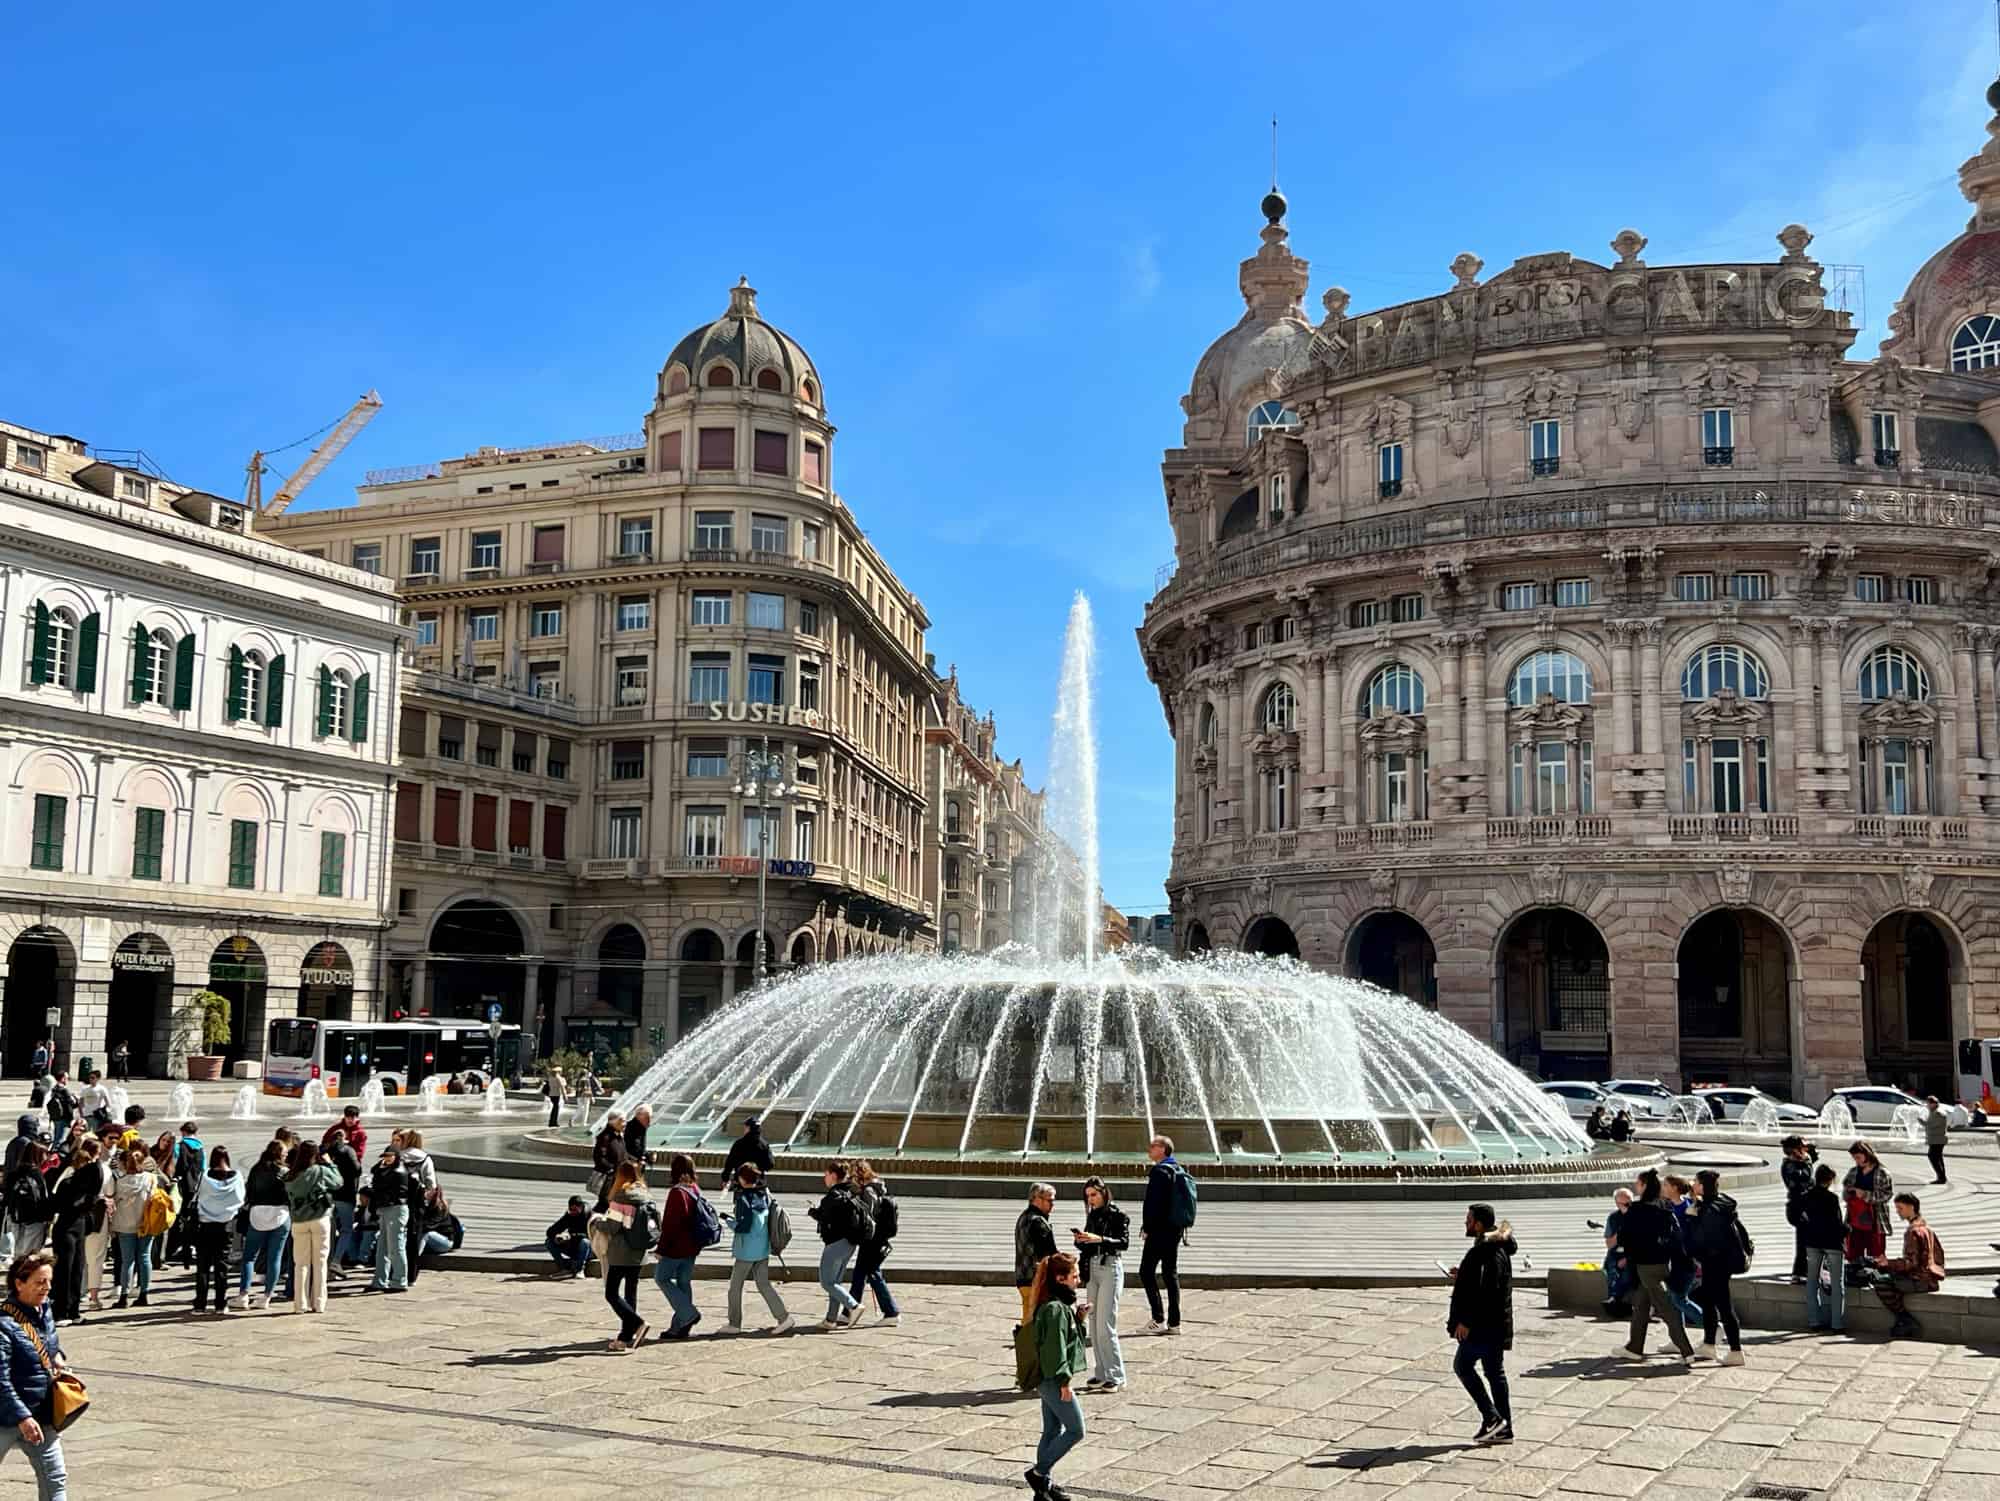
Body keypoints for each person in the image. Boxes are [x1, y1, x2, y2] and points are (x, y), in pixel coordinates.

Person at [0, 1249, 71, 1498]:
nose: (47, 1288)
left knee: (55, 1479)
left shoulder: (44, 1309)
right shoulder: (3, 1323)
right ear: (19, 1284)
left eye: (49, 1281)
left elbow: (44, 1340)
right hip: (5, 1416)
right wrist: (22, 1417)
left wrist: (55, 1356)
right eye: (40, 1282)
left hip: (39, 1410)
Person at [1447, 1202, 1515, 1444]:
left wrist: (1465, 1321)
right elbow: (1480, 1281)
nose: (1465, 1223)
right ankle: (1503, 1428)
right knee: (1495, 1374)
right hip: (1495, 1323)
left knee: (1463, 1366)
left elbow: (1486, 1292)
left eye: (1469, 1219)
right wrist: (1463, 1274)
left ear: (1479, 1224)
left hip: (1483, 1325)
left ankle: (1493, 1418)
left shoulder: (1488, 1251)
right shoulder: (1494, 1246)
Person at [1025, 1250, 1089, 1501]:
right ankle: (1039, 1474)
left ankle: (1044, 1489)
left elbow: (1067, 1340)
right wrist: (1064, 1382)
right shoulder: (1054, 1309)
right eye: (1075, 1275)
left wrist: (1079, 1319)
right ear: (1061, 1278)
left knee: (1052, 1430)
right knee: (1076, 1430)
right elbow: (1055, 1350)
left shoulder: (1060, 1305)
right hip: (1052, 1379)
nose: (1079, 1279)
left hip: (1048, 1378)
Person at [1618, 1169, 1693, 1367]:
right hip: (1663, 1262)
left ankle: (1687, 1350)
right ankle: (1634, 1348)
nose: (1635, 1185)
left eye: (1637, 1183)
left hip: (1646, 1265)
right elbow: (1674, 1234)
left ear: (1643, 1186)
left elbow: (1626, 1237)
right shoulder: (1664, 1205)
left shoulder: (1637, 1209)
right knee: (1641, 1305)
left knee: (1666, 1308)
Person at [722, 1163, 793, 1334]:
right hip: (763, 1248)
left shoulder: (743, 1199)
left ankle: (734, 1324)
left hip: (747, 1251)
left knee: (735, 1287)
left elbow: (743, 1227)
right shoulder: (764, 1195)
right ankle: (784, 1317)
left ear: (741, 1179)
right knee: (763, 1284)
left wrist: (728, 1220)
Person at [1688, 1169, 1749, 1366]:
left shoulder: (1709, 1210)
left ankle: (1735, 1350)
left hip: (1716, 1263)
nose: (1693, 1184)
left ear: (1702, 1185)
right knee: (1706, 1300)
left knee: (1723, 1305)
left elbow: (1704, 1239)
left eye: (1696, 1182)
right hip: (1720, 1262)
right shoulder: (1721, 1203)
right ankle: (1708, 1344)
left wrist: (1692, 1218)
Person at [1073, 1175, 1128, 1391]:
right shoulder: (1092, 1216)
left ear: (1104, 1193)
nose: (1091, 1200)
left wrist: (1100, 1240)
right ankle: (1101, 1372)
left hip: (1110, 1267)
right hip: (1092, 1268)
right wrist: (1081, 1240)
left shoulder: (1118, 1215)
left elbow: (1123, 1243)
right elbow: (1088, 1247)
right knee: (1094, 1324)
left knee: (1106, 1325)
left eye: (1094, 1195)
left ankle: (1117, 1374)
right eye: (1088, 1196)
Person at [45, 1138, 102, 1327]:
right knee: (65, 1270)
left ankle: (73, 1309)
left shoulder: (83, 1186)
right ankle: (61, 1311)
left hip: (77, 1227)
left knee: (76, 1269)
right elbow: (59, 1204)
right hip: (67, 1228)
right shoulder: (69, 1183)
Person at [597, 1160, 653, 1351]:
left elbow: (612, 1227)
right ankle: (625, 1337)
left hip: (621, 1252)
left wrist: (597, 1222)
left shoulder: (621, 1198)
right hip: (639, 1251)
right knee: (631, 1293)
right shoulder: (645, 1195)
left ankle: (638, 1324)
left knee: (611, 1293)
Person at [1873, 1191, 1945, 1338]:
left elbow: (1910, 1263)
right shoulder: (1926, 1227)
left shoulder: (1912, 1231)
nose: (1898, 1212)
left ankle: (1904, 1318)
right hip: (1929, 1278)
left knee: (1880, 1282)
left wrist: (1887, 1263)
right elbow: (1939, 1254)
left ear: (1911, 1207)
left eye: (1900, 1208)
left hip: (1920, 1281)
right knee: (1890, 1275)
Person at [653, 1153, 707, 1339]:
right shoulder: (695, 1189)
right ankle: (680, 1326)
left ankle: (688, 1313)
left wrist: (661, 1250)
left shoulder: (677, 1193)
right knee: (684, 1282)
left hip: (676, 1247)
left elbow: (670, 1225)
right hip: (693, 1246)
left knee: (662, 1278)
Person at [1140, 1135, 1188, 1335]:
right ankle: (1175, 1323)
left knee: (1146, 1271)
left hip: (1159, 1230)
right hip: (1175, 1228)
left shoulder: (1159, 1171)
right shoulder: (1178, 1169)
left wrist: (1147, 1227)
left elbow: (1153, 1204)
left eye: (1153, 1146)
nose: (1149, 1149)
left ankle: (1158, 1318)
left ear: (1163, 1149)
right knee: (1170, 1273)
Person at [283, 1141, 339, 1314]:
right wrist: (330, 1164)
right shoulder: (320, 1171)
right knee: (320, 1263)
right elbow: (338, 1182)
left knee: (300, 1264)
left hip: (298, 1221)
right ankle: (319, 1302)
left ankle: (300, 1304)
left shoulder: (291, 1175)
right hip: (319, 1218)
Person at [808, 1159, 864, 1330]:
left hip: (835, 1243)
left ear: (833, 1175)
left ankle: (853, 1306)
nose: (824, 1178)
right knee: (835, 1282)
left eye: (826, 1174)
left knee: (827, 1282)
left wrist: (812, 1211)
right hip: (850, 1243)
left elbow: (825, 1217)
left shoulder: (832, 1196)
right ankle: (830, 1320)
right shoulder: (851, 1191)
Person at [234, 1140, 290, 1309]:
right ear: (279, 1154)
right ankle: (266, 1297)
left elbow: (248, 1192)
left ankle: (243, 1294)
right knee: (275, 1257)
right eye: (285, 1152)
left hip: (257, 1213)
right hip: (280, 1214)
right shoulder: (285, 1172)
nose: (286, 1154)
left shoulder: (256, 1169)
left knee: (249, 1256)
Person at [1794, 1162, 1847, 1332]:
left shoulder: (1806, 1196)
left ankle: (1813, 1321)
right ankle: (1837, 1323)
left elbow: (1801, 1218)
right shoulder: (1831, 1199)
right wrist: (1848, 1230)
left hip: (1812, 1242)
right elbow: (1836, 1223)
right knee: (1837, 1284)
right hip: (1832, 1243)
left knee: (1812, 1281)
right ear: (1830, 1180)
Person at [192, 1144, 244, 1316]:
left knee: (203, 1266)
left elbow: (198, 1196)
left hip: (205, 1224)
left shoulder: (205, 1177)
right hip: (226, 1225)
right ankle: (221, 1304)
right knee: (222, 1266)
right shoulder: (237, 1177)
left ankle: (200, 1304)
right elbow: (241, 1199)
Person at [846, 1160, 899, 1327]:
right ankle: (850, 1311)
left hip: (872, 1240)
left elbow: (868, 1217)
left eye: (853, 1176)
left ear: (860, 1174)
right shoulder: (876, 1188)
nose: (851, 1179)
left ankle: (891, 1312)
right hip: (875, 1239)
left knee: (873, 1274)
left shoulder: (869, 1190)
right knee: (860, 1274)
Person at [107, 1143, 159, 1309]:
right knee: (144, 1258)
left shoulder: (119, 1182)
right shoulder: (151, 1179)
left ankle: (123, 1296)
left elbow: (113, 1201)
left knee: (126, 1261)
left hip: (124, 1223)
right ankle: (144, 1293)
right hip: (145, 1223)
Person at [1842, 1140, 1893, 1281]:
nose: (1856, 1161)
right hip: (1856, 1217)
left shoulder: (1882, 1173)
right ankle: (1856, 1275)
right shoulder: (1853, 1172)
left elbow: (1886, 1195)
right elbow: (1845, 1191)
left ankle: (1876, 1277)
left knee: (1876, 1250)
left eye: (1858, 1157)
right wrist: (1850, 1193)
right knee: (1854, 1249)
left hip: (1875, 1217)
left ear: (1866, 1154)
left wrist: (1865, 1195)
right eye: (1854, 1158)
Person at [366, 1145, 410, 1293]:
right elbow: (375, 1174)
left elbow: (379, 1182)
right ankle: (380, 1280)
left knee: (396, 1247)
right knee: (383, 1247)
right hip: (387, 1209)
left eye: (390, 1156)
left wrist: (380, 1168)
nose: (386, 1159)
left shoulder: (398, 1172)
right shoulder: (389, 1169)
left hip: (395, 1209)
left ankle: (399, 1281)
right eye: (385, 1156)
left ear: (396, 1157)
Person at [322, 1120, 364, 1274]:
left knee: (329, 1230)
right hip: (346, 1195)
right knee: (346, 1229)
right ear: (344, 1138)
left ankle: (326, 1261)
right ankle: (336, 1261)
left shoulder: (325, 1152)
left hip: (329, 1196)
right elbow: (357, 1170)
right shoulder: (348, 1150)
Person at [1014, 1182, 1057, 1328]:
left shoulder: (1024, 1217)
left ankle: (1025, 1347)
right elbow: (1049, 1254)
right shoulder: (1038, 1222)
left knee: (1028, 1320)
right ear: (1037, 1199)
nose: (1053, 1204)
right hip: (1036, 1280)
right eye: (1050, 1200)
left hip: (1022, 1278)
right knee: (1035, 1323)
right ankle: (1029, 1349)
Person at [399, 1130, 438, 1285]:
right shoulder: (425, 1158)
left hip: (398, 1201)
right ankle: (411, 1275)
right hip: (417, 1202)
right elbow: (431, 1184)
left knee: (397, 1237)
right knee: (414, 1237)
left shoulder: (399, 1155)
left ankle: (396, 1273)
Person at [1780, 1136, 1814, 1282]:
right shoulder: (1790, 1165)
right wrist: (1806, 1163)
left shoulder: (1800, 1162)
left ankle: (1806, 1270)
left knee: (1807, 1239)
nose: (1805, 1150)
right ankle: (1799, 1272)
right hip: (1797, 1207)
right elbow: (1803, 1178)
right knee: (1802, 1241)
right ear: (1795, 1150)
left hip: (1805, 1205)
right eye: (1802, 1147)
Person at [1599, 1187, 1633, 1315]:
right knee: (1610, 1268)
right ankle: (1614, 1301)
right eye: (1624, 1204)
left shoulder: (1637, 1216)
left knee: (1627, 1272)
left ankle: (1616, 1299)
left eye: (1629, 1203)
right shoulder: (1613, 1218)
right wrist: (1619, 1233)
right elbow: (1609, 1244)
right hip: (1616, 1252)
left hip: (1632, 1254)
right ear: (1617, 1204)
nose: (1627, 1206)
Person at [720, 1116, 774, 1189]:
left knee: (741, 1200)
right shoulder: (763, 1144)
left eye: (745, 1127)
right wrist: (757, 1169)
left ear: (749, 1128)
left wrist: (725, 1179)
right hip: (758, 1183)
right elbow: (770, 1164)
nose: (744, 1129)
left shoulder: (739, 1143)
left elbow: (730, 1162)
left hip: (740, 1183)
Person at [545, 1196, 591, 1277]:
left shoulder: (590, 1216)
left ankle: (579, 1269)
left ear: (581, 1207)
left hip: (589, 1250)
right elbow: (550, 1231)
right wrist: (556, 1236)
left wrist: (571, 1236)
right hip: (572, 1246)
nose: (573, 1212)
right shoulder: (569, 1216)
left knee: (585, 1242)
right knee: (549, 1242)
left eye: (575, 1210)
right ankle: (564, 1268)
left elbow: (591, 1236)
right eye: (571, 1210)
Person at [591, 1114, 628, 1210]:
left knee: (609, 1205)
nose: (625, 1124)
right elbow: (599, 1157)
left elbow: (623, 1155)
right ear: (613, 1122)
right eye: (622, 1121)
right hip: (609, 1178)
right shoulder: (605, 1137)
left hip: (618, 1177)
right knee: (604, 1204)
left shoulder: (618, 1136)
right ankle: (592, 1222)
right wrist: (611, 1169)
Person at [41, 1080, 72, 1156]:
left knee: (56, 1138)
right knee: (61, 1139)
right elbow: (69, 1104)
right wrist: (70, 1118)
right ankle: (56, 1157)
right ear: (63, 1079)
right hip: (64, 1117)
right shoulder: (64, 1090)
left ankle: (51, 1154)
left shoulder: (54, 1089)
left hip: (56, 1117)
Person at [1923, 1097, 1949, 1185]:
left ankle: (1941, 1177)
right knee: (1938, 1158)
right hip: (1935, 1138)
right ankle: (1941, 1177)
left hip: (1938, 1139)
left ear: (1933, 1104)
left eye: (1928, 1104)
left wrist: (1921, 1121)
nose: (1927, 1106)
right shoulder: (1933, 1112)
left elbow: (1931, 1125)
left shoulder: (1938, 1113)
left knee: (1933, 1157)